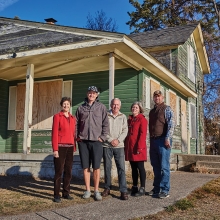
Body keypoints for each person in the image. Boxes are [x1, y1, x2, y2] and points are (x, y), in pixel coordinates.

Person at [75, 86, 109, 201]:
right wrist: (78, 137)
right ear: (87, 93)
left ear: (97, 95)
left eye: (94, 93)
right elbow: (76, 124)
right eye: (90, 93)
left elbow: (106, 124)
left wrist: (103, 137)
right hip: (83, 142)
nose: (92, 95)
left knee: (96, 167)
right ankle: (88, 190)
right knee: (85, 167)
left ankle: (96, 190)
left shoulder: (101, 108)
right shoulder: (80, 108)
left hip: (96, 142)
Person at [148, 90, 175, 199]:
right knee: (156, 166)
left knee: (164, 166)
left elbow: (171, 124)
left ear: (162, 98)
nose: (157, 98)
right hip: (153, 141)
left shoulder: (167, 109)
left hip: (163, 140)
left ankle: (165, 190)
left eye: (159, 97)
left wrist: (168, 138)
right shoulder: (152, 111)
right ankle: (157, 188)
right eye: (155, 97)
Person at [102, 98, 129, 200]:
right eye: (114, 104)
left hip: (119, 146)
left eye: (117, 105)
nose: (115, 106)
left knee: (121, 168)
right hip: (107, 146)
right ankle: (107, 188)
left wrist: (118, 140)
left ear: (120, 106)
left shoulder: (123, 117)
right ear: (110, 105)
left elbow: (125, 130)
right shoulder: (105, 115)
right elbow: (103, 129)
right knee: (107, 167)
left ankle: (123, 190)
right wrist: (110, 140)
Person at [52, 97, 76, 203]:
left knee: (68, 171)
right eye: (64, 104)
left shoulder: (72, 118)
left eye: (68, 104)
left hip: (70, 148)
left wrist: (74, 147)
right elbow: (54, 134)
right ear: (61, 105)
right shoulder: (57, 117)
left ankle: (66, 193)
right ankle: (56, 195)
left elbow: (73, 134)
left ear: (70, 105)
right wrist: (55, 149)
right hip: (60, 147)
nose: (66, 106)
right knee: (59, 171)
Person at [125, 101, 148, 197]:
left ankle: (142, 187)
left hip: (138, 147)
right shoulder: (130, 120)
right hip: (130, 147)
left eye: (136, 107)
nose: (134, 109)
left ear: (140, 109)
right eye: (133, 107)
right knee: (133, 168)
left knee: (140, 168)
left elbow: (142, 134)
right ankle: (134, 186)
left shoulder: (142, 119)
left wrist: (140, 147)